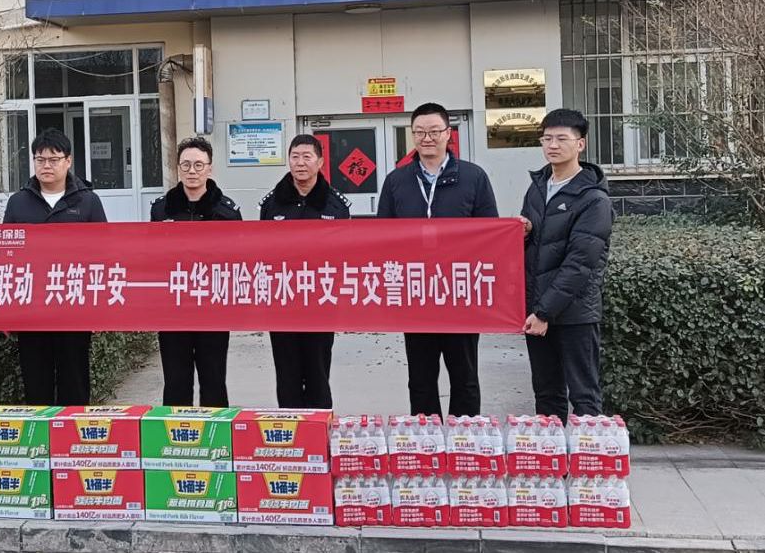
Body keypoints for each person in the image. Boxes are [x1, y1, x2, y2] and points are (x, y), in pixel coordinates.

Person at [376, 102, 498, 418]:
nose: (426, 138)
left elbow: (491, 234)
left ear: (448, 134)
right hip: (416, 295)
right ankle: (425, 439)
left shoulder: (473, 177)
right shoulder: (396, 180)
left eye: (433, 131)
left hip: (460, 294)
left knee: (465, 377)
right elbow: (381, 237)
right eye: (419, 132)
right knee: (420, 379)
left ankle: (464, 439)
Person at [518, 108, 613, 422]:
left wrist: (545, 312)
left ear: (580, 144)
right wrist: (524, 234)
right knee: (546, 394)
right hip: (537, 310)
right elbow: (536, 249)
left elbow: (580, 263)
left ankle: (589, 454)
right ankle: (551, 452)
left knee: (584, 396)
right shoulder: (537, 188)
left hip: (574, 313)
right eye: (546, 139)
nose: (553, 145)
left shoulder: (593, 198)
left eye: (561, 138)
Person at [3, 128, 107, 406]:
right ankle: (39, 433)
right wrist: (5, 311)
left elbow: (103, 255)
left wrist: (99, 309)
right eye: (40, 160)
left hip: (74, 308)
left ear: (68, 161)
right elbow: (6, 259)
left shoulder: (87, 201)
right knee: (36, 386)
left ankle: (74, 433)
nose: (46, 166)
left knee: (75, 383)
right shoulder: (18, 203)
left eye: (53, 159)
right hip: (31, 310)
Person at [259, 133, 351, 408]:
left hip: (321, 302)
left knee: (317, 372)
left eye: (307, 157)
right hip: (282, 301)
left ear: (320, 162)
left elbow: (345, 255)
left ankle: (319, 427)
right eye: (295, 157)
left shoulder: (336, 205)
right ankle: (290, 428)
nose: (300, 163)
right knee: (286, 373)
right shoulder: (272, 204)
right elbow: (262, 252)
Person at [150, 136, 242, 407]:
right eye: (186, 165)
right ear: (178, 168)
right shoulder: (161, 209)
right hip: (173, 309)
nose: (192, 171)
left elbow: (237, 261)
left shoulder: (227, 212)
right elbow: (152, 258)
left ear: (210, 168)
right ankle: (175, 432)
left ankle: (215, 432)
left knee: (213, 381)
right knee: (176, 382)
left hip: (213, 309)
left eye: (199, 165)